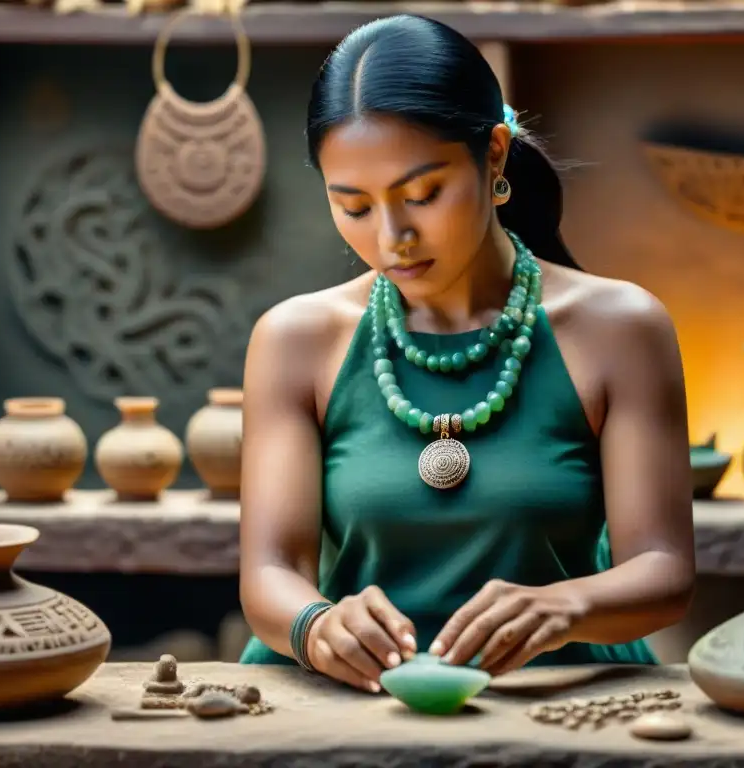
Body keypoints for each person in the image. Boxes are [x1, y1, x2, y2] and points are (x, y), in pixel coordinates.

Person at [237, 13, 695, 693]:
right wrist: (314, 626)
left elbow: (662, 567)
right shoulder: (297, 339)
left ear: (496, 156)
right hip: (347, 700)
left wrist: (564, 606)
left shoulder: (619, 328)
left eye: (423, 194)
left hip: (555, 696)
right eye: (354, 207)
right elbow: (270, 570)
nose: (394, 236)